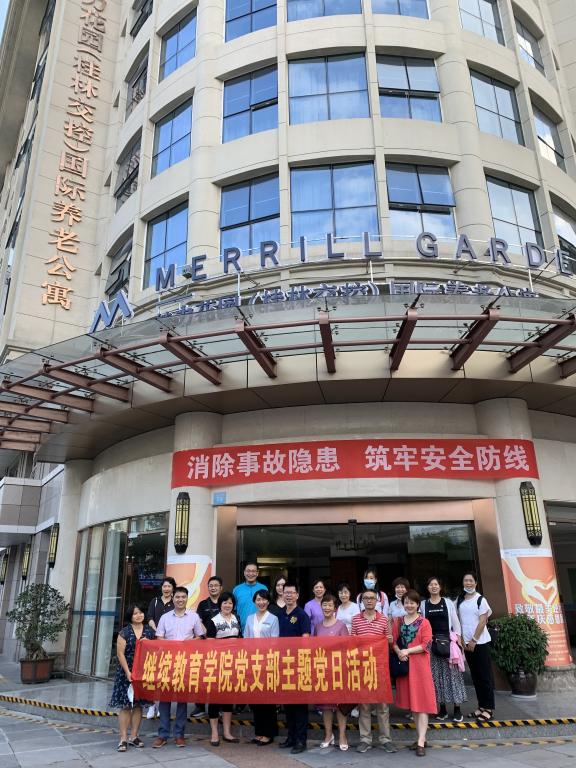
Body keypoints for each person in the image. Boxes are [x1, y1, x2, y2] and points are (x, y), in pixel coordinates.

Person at [153, 586, 206, 748]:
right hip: (167, 662)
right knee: (165, 698)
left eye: (183, 597)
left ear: (187, 598)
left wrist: (187, 643)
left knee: (182, 699)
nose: (180, 600)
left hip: (186, 662)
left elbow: (200, 637)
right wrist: (172, 646)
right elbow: (159, 638)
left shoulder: (194, 616)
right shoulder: (165, 617)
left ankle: (179, 734)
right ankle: (163, 734)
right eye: (177, 597)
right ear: (173, 598)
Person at [351, 588, 397, 755]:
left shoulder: (384, 619)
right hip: (363, 667)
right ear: (362, 601)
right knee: (364, 705)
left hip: (380, 667)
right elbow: (352, 642)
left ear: (377, 601)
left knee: (382, 706)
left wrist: (389, 640)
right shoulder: (356, 619)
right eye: (366, 598)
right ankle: (365, 739)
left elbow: (390, 643)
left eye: (372, 598)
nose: (369, 600)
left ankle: (385, 739)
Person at [392, 589, 437, 757]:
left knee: (422, 703)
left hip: (420, 667)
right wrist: (399, 652)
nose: (409, 605)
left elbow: (426, 644)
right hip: (405, 666)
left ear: (418, 604)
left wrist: (407, 651)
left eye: (412, 602)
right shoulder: (398, 621)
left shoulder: (424, 622)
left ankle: (421, 741)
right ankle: (420, 738)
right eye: (406, 602)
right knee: (414, 704)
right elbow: (394, 642)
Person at [110, 603, 155, 751]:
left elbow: (156, 650)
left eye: (141, 612)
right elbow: (120, 654)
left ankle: (134, 736)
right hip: (126, 673)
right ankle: (123, 738)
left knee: (138, 705)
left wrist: (149, 644)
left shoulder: (149, 632)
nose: (138, 615)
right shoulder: (124, 632)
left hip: (143, 672)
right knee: (125, 706)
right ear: (130, 616)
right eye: (135, 613)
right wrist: (128, 672)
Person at [420, 577, 466, 723]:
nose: (433, 586)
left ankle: (457, 709)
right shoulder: (423, 605)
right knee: (436, 677)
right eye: (430, 584)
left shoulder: (447, 602)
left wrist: (458, 641)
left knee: (453, 676)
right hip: (432, 644)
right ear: (427, 587)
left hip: (448, 643)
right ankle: (443, 709)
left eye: (436, 584)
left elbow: (456, 623)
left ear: (440, 587)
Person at [277, 580, 311, 754]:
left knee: (300, 705)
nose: (289, 595)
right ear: (282, 594)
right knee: (288, 704)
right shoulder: (280, 614)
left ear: (297, 595)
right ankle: (290, 737)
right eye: (286, 592)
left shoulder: (302, 615)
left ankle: (301, 740)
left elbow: (306, 640)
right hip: (283, 665)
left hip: (298, 665)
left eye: (291, 592)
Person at [456, 572, 495, 722]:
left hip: (480, 643)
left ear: (476, 583)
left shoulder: (480, 600)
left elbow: (483, 621)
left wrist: (473, 640)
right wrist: (462, 641)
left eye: (471, 581)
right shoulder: (460, 600)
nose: (468, 583)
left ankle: (489, 709)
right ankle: (481, 707)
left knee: (484, 677)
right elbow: (459, 621)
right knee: (476, 677)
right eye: (466, 580)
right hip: (466, 644)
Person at [314, 594, 350, 751]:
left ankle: (342, 735)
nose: (327, 608)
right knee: (326, 706)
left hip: (338, 671)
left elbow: (347, 648)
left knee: (340, 706)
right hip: (323, 671)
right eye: (324, 605)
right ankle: (328, 735)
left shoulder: (341, 626)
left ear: (335, 608)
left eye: (330, 605)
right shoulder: (317, 626)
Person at [244, 589, 280, 745]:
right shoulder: (249, 618)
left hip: (267, 663)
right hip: (253, 663)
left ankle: (268, 733)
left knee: (267, 700)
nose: (261, 602)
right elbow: (246, 639)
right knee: (256, 699)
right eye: (258, 600)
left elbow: (275, 642)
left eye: (264, 599)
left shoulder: (273, 618)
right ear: (254, 602)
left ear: (268, 601)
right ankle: (259, 732)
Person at [205, 591, 242, 745]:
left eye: (230, 603)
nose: (227, 605)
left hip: (233, 663)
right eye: (225, 602)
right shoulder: (213, 621)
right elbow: (209, 644)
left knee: (228, 698)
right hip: (217, 663)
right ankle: (214, 733)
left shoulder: (236, 618)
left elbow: (240, 639)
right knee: (214, 698)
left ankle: (227, 732)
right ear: (220, 604)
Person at [145, 576, 176, 719]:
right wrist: (157, 630)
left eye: (169, 586)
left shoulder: (175, 602)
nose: (166, 589)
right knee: (152, 673)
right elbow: (149, 617)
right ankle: (152, 705)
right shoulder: (155, 601)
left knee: (165, 674)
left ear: (173, 588)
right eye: (164, 586)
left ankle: (163, 705)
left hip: (169, 643)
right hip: (155, 640)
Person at [233, 561, 266, 630]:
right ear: (244, 572)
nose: (251, 573)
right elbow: (233, 610)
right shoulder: (237, 590)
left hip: (261, 629)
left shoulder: (264, 588)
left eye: (253, 571)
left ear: (257, 573)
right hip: (242, 629)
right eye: (248, 571)